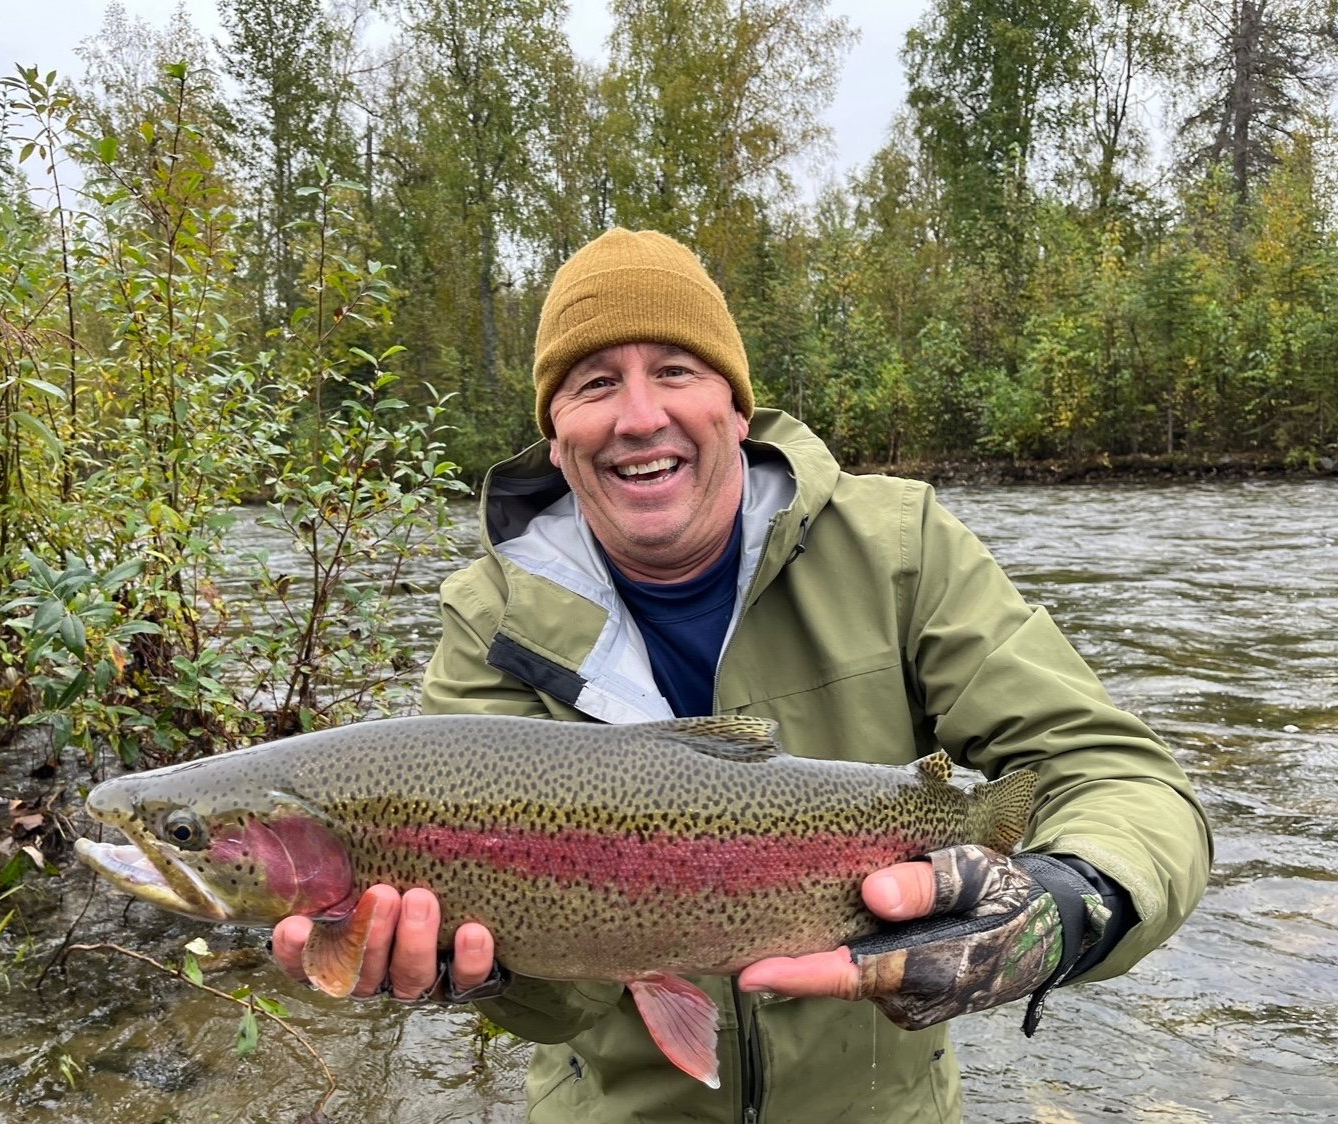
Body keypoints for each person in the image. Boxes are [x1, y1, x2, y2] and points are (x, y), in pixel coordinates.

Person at [272, 228, 1211, 1121]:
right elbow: (561, 1014)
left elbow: (1116, 776)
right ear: (556, 438)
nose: (638, 417)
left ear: (735, 407)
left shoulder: (897, 546)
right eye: (594, 383)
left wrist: (1067, 900)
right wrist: (481, 973)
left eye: (674, 372)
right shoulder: (489, 623)